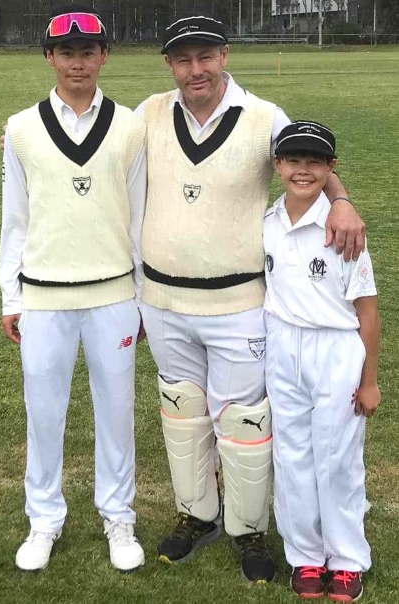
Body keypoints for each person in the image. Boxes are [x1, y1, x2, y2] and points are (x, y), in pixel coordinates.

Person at [136, 16, 366, 583]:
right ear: (170, 65)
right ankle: (198, 516)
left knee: (241, 421)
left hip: (238, 301)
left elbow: (307, 159)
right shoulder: (147, 114)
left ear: (224, 55)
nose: (197, 70)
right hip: (162, 299)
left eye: (206, 56)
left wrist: (342, 202)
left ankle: (247, 529)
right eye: (184, 60)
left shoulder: (264, 117)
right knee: (184, 414)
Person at [0, 5, 147, 573]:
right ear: (49, 57)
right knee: (44, 412)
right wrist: (11, 295)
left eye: (88, 51)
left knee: (116, 411)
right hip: (43, 295)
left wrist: (139, 295)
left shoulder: (131, 125)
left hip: (113, 294)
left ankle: (118, 514)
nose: (77, 62)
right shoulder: (21, 128)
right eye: (67, 52)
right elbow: (15, 219)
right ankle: (44, 518)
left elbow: (136, 219)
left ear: (104, 56)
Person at [263, 121, 380, 600]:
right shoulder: (269, 221)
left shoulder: (343, 229)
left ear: (331, 168)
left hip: (334, 347)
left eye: (315, 161)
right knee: (291, 455)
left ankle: (347, 557)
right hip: (282, 346)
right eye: (293, 160)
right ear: (278, 166)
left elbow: (367, 311)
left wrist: (369, 381)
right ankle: (306, 555)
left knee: (335, 458)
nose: (303, 170)